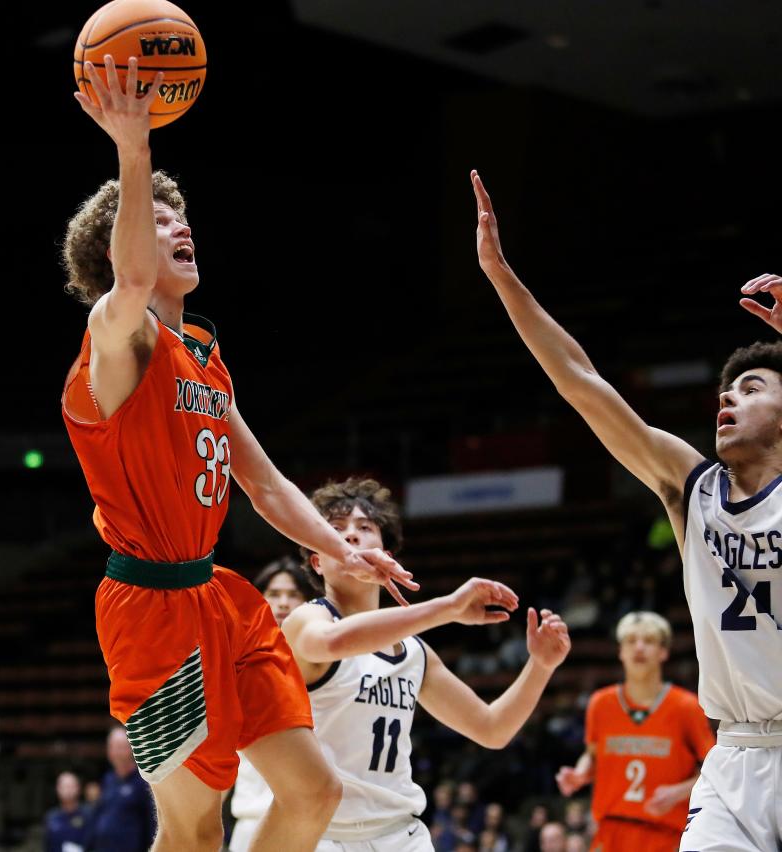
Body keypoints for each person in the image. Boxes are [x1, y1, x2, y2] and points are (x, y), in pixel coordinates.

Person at [63, 56, 417, 851]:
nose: (180, 226)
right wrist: (132, 149)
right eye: (158, 219)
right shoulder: (113, 344)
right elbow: (125, 282)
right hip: (150, 609)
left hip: (220, 598)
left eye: (180, 216)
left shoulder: (205, 356)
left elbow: (263, 482)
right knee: (193, 831)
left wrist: (342, 553)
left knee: (312, 793)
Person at [471, 171, 782, 851]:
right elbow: (582, 382)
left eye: (752, 387)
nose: (727, 400)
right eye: (726, 391)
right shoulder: (693, 487)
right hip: (733, 761)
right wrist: (500, 277)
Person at [279, 477, 571, 850]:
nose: (351, 537)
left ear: (387, 555)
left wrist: (540, 667)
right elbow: (333, 642)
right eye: (335, 530)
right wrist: (448, 607)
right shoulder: (307, 620)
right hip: (325, 836)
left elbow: (492, 728)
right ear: (318, 561)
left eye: (365, 528)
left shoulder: (414, 653)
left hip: (402, 836)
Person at [555, 612, 714, 851]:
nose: (639, 647)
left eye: (648, 640)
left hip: (666, 835)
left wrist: (678, 792)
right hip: (609, 832)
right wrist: (579, 773)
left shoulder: (686, 706)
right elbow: (593, 755)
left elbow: (714, 772)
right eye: (630, 641)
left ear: (663, 652)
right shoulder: (600, 703)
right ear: (620, 651)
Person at [228, 559, 319, 851]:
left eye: (293, 595)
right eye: (274, 593)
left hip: (316, 821)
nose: (283, 603)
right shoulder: (236, 662)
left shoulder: (326, 661)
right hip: (252, 823)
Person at [85, 728, 156, 852]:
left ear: (131, 749)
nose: (116, 752)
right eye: (112, 747)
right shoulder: (108, 779)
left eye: (120, 747)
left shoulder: (143, 782)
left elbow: (151, 824)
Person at [44, 771, 91, 852]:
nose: (67, 790)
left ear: (78, 788)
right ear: (57, 789)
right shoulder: (51, 817)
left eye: (71, 786)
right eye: (64, 786)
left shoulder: (88, 815)